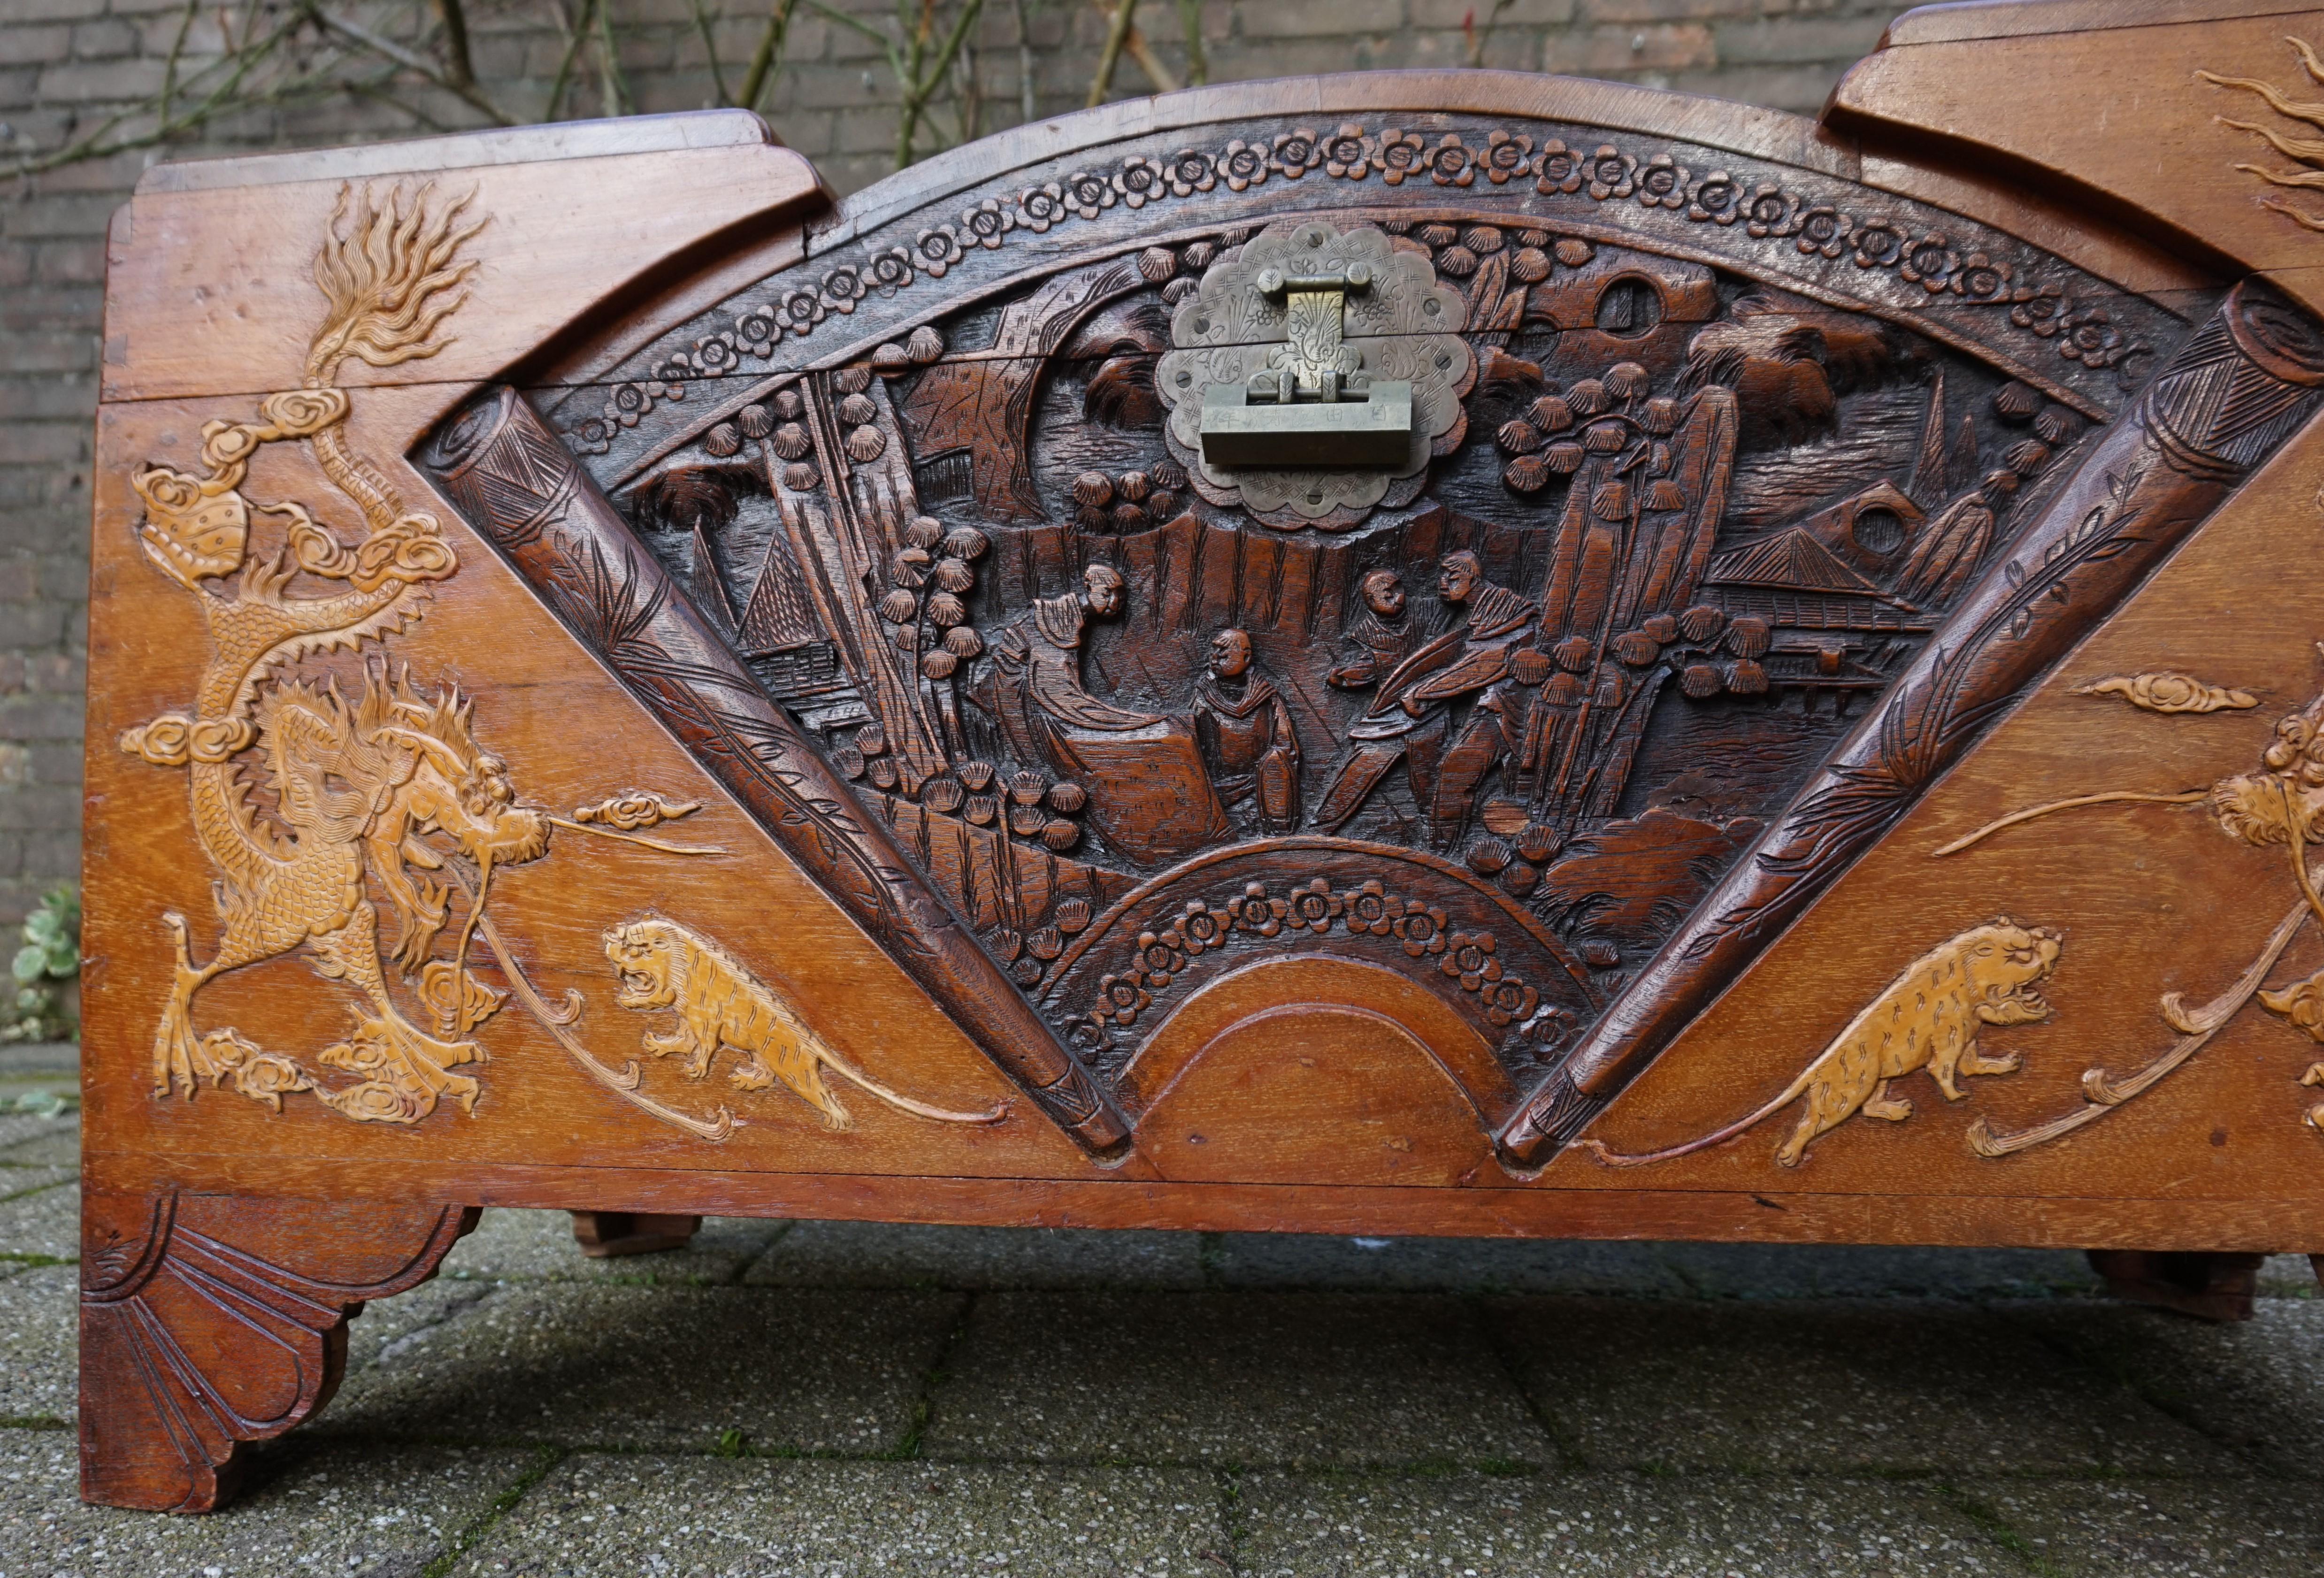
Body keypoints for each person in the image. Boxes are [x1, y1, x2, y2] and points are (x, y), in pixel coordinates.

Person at [1312, 551, 1536, 842]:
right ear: (1369, 602)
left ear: (1476, 579)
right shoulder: (1369, 631)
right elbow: (1384, 667)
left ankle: (1439, 850)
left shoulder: (1459, 613)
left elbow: (1479, 661)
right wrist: (1349, 675)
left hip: (1437, 714)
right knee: (1359, 775)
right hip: (1392, 716)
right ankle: (1317, 834)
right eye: (1382, 595)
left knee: (1438, 789)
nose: (1443, 584)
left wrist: (1425, 691)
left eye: (1453, 578)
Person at [1191, 627, 1302, 834]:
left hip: (1260, 787)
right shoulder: (1203, 695)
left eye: (1223, 653)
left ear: (1246, 657)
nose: (1215, 659)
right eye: (1213, 653)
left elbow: (1286, 745)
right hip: (1216, 787)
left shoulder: (1266, 697)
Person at [1328, 568, 1427, 692]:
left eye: (1398, 589)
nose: (1396, 596)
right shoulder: (1364, 633)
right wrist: (1345, 676)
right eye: (1387, 593)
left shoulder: (1426, 610)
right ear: (1372, 600)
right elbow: (1368, 668)